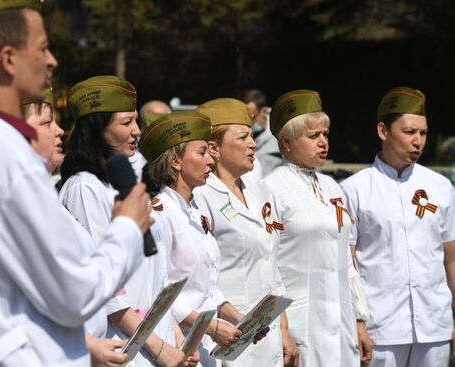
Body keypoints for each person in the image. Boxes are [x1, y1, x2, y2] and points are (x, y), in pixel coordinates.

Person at [0, 2, 151, 366]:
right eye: (42, 48)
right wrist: (128, 227)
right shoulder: (9, 161)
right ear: (8, 59)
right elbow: (74, 295)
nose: (51, 60)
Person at [59, 76, 192, 367]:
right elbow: (104, 286)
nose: (137, 131)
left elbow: (153, 275)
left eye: (136, 122)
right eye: (126, 122)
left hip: (153, 339)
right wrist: (158, 348)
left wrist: (176, 336)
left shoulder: (119, 184)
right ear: (97, 127)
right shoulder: (85, 188)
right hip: (123, 346)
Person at [139, 111, 270, 367]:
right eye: (202, 152)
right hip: (179, 346)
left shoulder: (195, 207)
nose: (212, 159)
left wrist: (239, 318)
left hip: (206, 347)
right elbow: (158, 292)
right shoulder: (158, 213)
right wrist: (210, 326)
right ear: (176, 160)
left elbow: (207, 287)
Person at [340, 87, 455, 367]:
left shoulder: (440, 186)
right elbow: (346, 264)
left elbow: (451, 258)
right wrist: (356, 322)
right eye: (409, 132)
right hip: (380, 327)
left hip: (434, 324)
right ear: (383, 131)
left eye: (423, 133)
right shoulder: (354, 190)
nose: (418, 141)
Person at [259, 90, 372, 366]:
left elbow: (346, 258)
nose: (323, 142)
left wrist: (359, 319)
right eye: (313, 136)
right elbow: (267, 265)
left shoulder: (332, 186)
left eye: (325, 134)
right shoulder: (269, 189)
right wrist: (282, 329)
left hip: (341, 315)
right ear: (285, 141)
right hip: (302, 320)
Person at [193, 98, 299, 367]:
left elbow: (271, 266)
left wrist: (284, 331)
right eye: (243, 137)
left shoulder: (259, 192)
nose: (253, 144)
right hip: (226, 335)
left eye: (252, 135)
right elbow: (201, 276)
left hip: (266, 333)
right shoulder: (201, 197)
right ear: (214, 148)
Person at [238, 89, 281, 179]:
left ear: (264, 112)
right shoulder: (237, 135)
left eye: (252, 117)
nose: (247, 122)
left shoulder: (280, 135)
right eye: (243, 117)